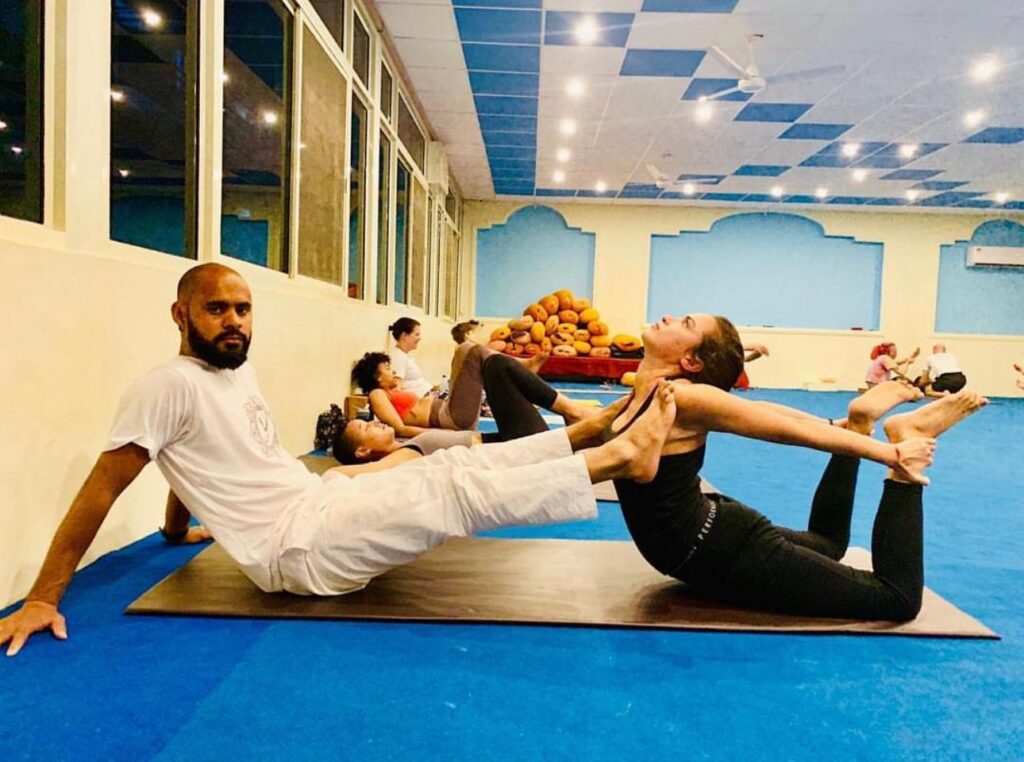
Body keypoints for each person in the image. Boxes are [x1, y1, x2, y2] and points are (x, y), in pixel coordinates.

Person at [0, 263, 678, 657]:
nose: (234, 321)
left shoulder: (233, 373)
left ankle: (585, 435)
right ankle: (619, 458)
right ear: (181, 315)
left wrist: (178, 530)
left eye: (243, 309)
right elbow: (103, 488)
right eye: (217, 309)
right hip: (296, 552)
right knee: (447, 497)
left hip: (317, 504)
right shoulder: (164, 385)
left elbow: (184, 458)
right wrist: (42, 597)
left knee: (446, 468)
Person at [604, 313, 985, 621]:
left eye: (685, 323)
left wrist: (892, 455)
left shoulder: (684, 396)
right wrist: (840, 426)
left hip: (714, 548)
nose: (668, 318)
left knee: (896, 599)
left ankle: (907, 443)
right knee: (828, 544)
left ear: (691, 361)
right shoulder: (644, 395)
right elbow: (760, 409)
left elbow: (785, 429)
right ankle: (860, 423)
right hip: (711, 530)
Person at [335, 351, 585, 464]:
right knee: (494, 366)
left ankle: (572, 415)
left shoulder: (403, 446)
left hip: (510, 441)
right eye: (365, 427)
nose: (373, 421)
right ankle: (572, 412)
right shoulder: (399, 460)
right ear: (362, 451)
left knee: (492, 365)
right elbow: (357, 475)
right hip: (520, 450)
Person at [351, 344, 589, 440]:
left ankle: (518, 366)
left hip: (449, 411)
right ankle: (521, 366)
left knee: (467, 351)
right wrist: (446, 437)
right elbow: (400, 429)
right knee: (468, 350)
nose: (393, 371)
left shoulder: (394, 390)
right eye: (387, 369)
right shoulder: (377, 395)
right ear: (376, 377)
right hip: (450, 419)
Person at [387, 317, 435, 398]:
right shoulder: (397, 357)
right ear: (404, 335)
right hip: (422, 400)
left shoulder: (405, 355)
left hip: (429, 395)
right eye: (417, 334)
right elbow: (396, 388)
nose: (419, 338)